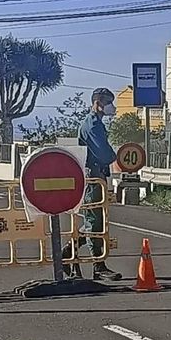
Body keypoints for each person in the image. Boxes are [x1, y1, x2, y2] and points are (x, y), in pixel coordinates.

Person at [62, 87, 121, 281]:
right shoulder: (93, 125)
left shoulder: (96, 123)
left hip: (97, 176)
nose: (111, 106)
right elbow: (104, 153)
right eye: (108, 102)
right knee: (94, 221)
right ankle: (98, 265)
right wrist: (114, 155)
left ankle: (68, 254)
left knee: (95, 220)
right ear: (98, 103)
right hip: (92, 177)